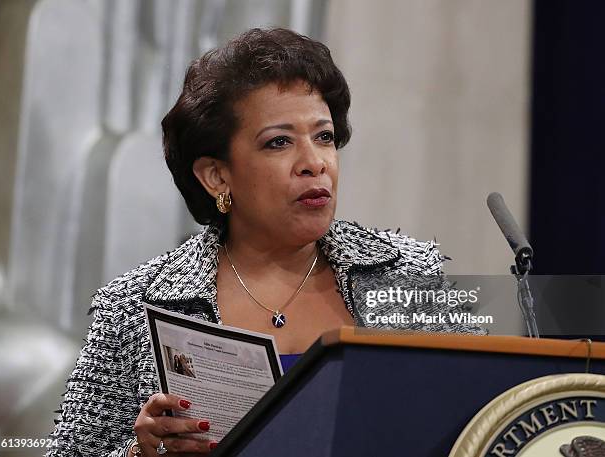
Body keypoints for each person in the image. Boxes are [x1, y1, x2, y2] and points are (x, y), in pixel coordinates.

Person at [46, 28, 483, 457]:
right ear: (217, 175)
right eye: (279, 142)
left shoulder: (410, 275)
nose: (314, 163)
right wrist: (141, 454)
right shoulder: (135, 304)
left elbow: (479, 426)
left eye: (324, 137)